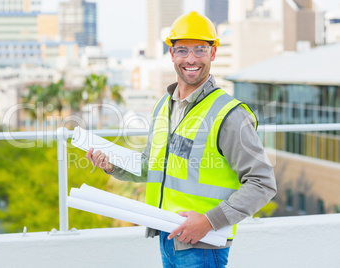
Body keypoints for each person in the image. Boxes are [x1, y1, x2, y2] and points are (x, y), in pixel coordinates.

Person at [86, 11, 277, 268]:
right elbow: (152, 166)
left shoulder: (229, 115)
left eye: (200, 50)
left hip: (204, 243)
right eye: (182, 50)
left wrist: (209, 221)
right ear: (171, 54)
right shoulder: (164, 106)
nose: (191, 59)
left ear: (213, 53)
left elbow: (262, 183)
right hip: (168, 236)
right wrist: (112, 165)